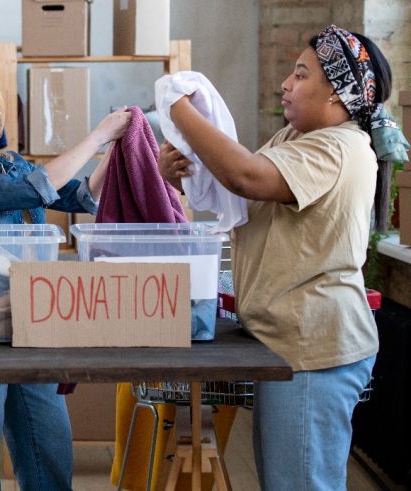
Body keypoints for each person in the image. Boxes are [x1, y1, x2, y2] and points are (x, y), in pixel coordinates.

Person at [157, 25, 408, 490]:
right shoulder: (295, 138)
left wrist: (177, 107)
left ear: (336, 93)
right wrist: (179, 174)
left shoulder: (338, 147)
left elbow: (245, 178)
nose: (285, 86)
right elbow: (242, 198)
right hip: (291, 344)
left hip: (314, 348)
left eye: (300, 75)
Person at [0, 65, 131, 490]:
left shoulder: (10, 164)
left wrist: (117, 150)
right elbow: (39, 189)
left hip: (32, 325)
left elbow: (79, 194)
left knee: (49, 446)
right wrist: (97, 136)